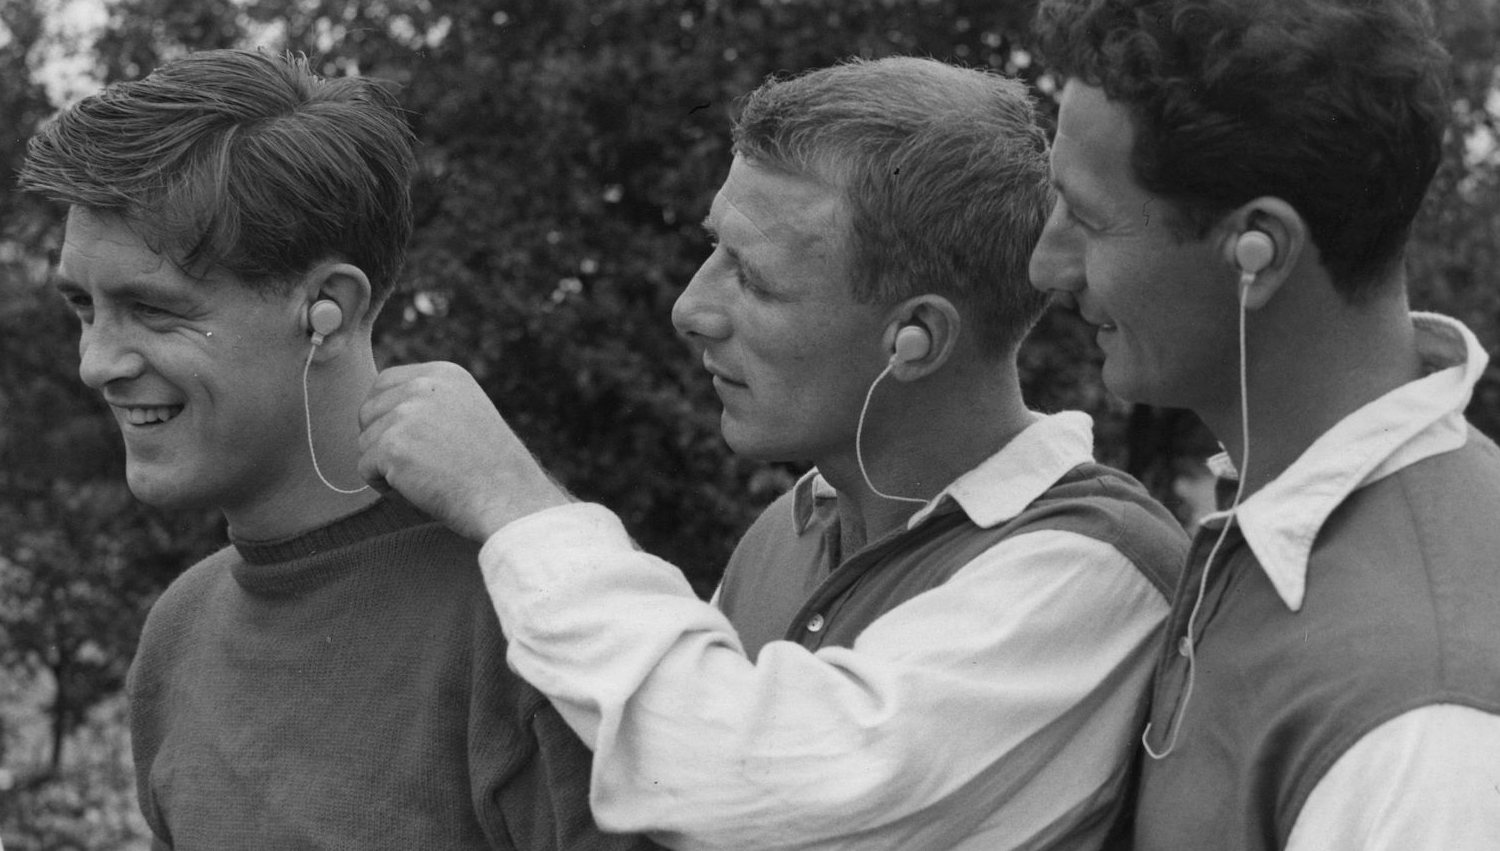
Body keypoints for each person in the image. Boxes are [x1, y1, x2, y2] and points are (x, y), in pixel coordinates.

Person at [356, 56, 1188, 851]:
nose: (692, 308)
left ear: (917, 339)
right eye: (713, 249)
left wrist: (515, 507)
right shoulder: (786, 532)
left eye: (754, 280)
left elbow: (760, 790)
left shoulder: (1091, 567)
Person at [23, 49, 658, 851]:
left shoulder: (539, 628)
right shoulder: (181, 630)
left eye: (152, 310)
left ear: (328, 307)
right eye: (84, 306)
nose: (96, 362)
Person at [1028, 0, 1500, 850]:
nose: (1049, 265)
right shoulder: (1283, 527)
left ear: (1260, 250)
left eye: (1089, 218)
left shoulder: (1424, 732)